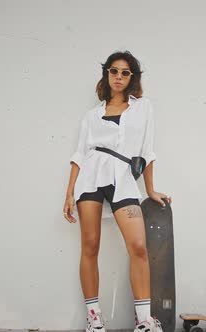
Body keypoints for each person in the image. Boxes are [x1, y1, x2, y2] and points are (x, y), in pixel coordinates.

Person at [63, 51, 170, 332]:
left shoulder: (143, 108)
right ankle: (94, 318)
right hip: (90, 178)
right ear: (107, 74)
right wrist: (68, 194)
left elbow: (147, 152)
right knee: (90, 246)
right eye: (114, 71)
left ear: (132, 77)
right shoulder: (92, 116)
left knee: (138, 247)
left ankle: (145, 320)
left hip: (123, 177)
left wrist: (150, 190)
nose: (119, 77)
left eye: (125, 72)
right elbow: (79, 154)